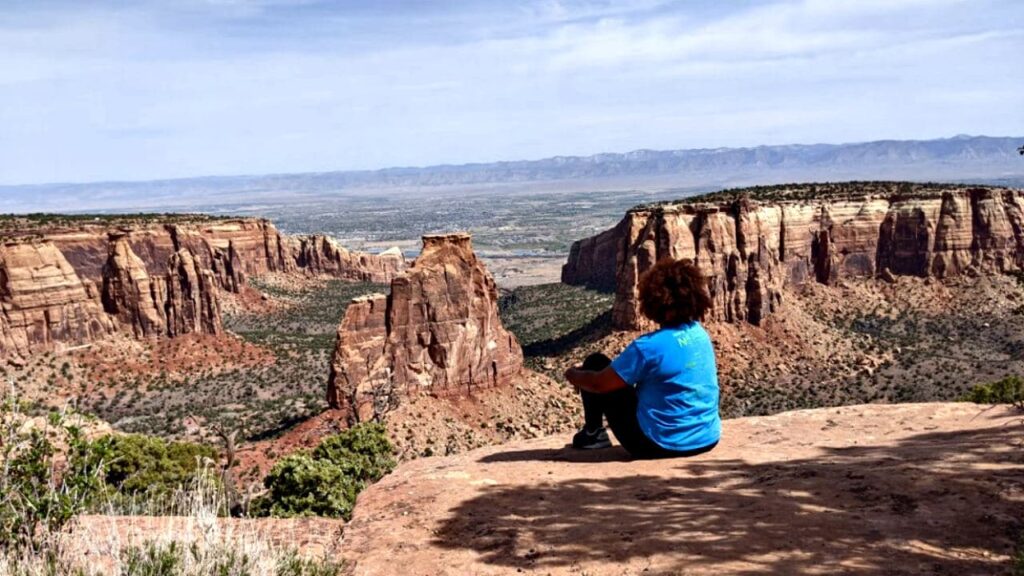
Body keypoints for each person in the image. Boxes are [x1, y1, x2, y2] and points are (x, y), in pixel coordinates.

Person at [563, 258, 720, 459]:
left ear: (655, 300)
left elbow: (598, 384)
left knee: (596, 362)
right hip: (707, 439)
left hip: (657, 444)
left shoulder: (648, 347)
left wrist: (574, 375)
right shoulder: (700, 334)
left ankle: (594, 434)